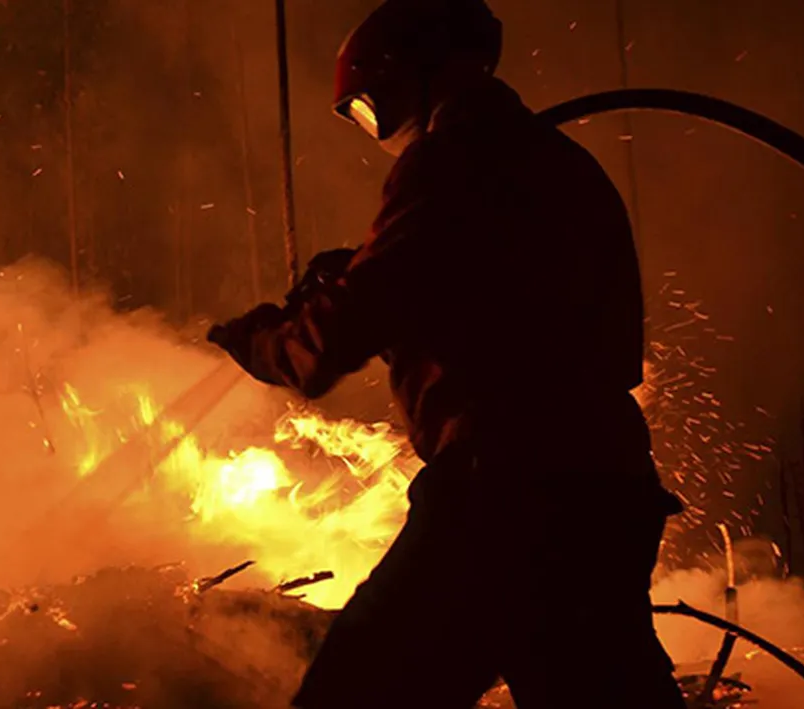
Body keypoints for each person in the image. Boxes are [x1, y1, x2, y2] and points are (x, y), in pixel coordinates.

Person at [206, 1, 689, 707]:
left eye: (367, 105)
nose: (376, 126)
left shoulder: (451, 158)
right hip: (607, 495)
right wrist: (367, 270)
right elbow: (490, 298)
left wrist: (257, 336)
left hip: (502, 499)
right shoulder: (559, 164)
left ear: (400, 76)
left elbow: (330, 343)